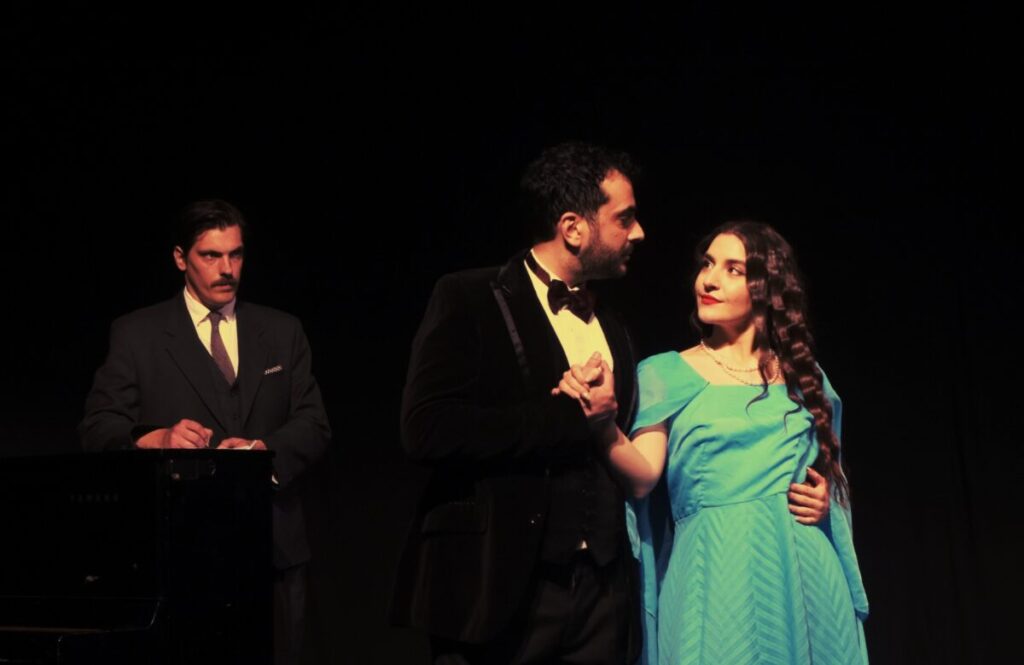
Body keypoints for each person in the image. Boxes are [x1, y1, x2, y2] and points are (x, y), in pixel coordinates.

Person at [556, 220, 869, 664]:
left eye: (732, 269)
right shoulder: (666, 372)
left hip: (802, 571)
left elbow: (833, 479)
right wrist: (603, 423)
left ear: (767, 287)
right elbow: (643, 477)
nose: (709, 280)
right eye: (707, 264)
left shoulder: (804, 376)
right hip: (715, 568)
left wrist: (825, 506)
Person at [391, 141, 648, 664]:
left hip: (600, 594)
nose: (639, 232)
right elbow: (426, 429)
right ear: (573, 228)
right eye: (624, 218)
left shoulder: (614, 325)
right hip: (501, 589)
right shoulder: (470, 296)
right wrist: (566, 417)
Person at [79, 199, 331, 665]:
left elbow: (314, 423)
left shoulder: (281, 331)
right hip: (181, 553)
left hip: (273, 549)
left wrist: (263, 450)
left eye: (235, 254)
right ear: (181, 258)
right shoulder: (138, 334)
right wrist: (154, 439)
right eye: (211, 256)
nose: (227, 269)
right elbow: (97, 427)